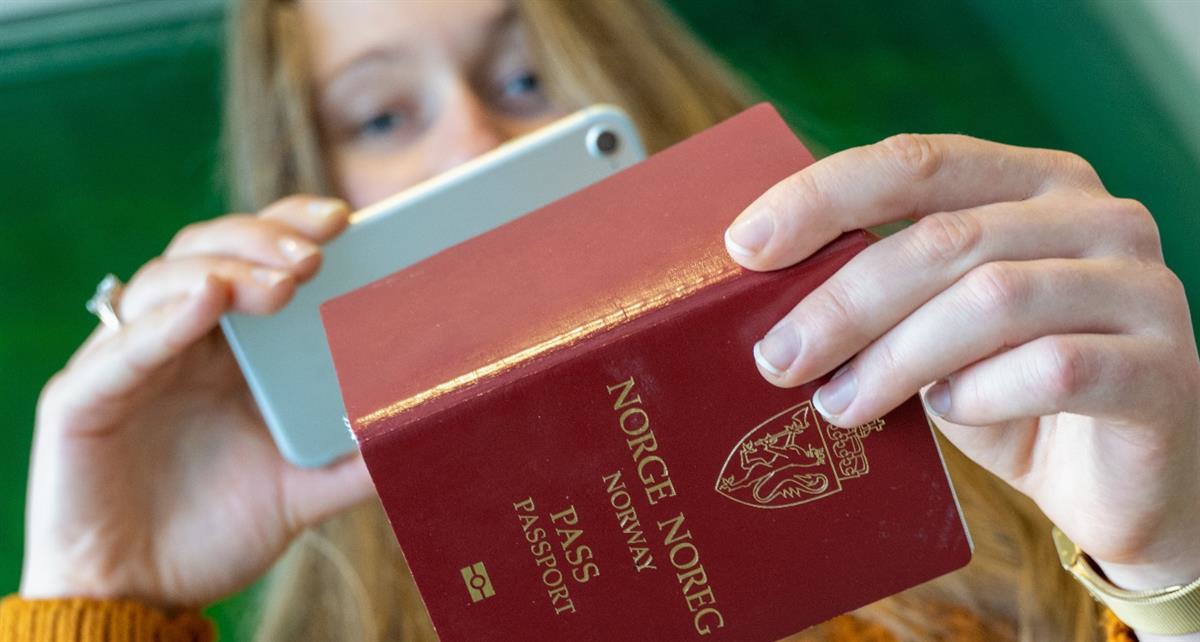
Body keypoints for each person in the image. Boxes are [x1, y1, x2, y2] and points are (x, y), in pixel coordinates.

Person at [4, 1, 1197, 641]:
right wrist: (100, 588)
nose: (474, 146)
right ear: (311, 187)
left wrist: (1171, 570)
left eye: (528, 80)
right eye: (379, 119)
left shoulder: (1023, 515)